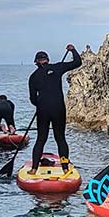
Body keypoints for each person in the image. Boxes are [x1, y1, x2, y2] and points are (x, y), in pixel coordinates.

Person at [28, 44, 82, 173]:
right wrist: (73, 50)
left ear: (36, 62)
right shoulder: (57, 68)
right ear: (47, 60)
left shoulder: (33, 77)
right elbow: (77, 62)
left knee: (41, 139)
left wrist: (41, 105)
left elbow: (32, 99)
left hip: (43, 110)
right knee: (61, 139)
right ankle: (64, 168)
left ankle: (34, 168)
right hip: (58, 108)